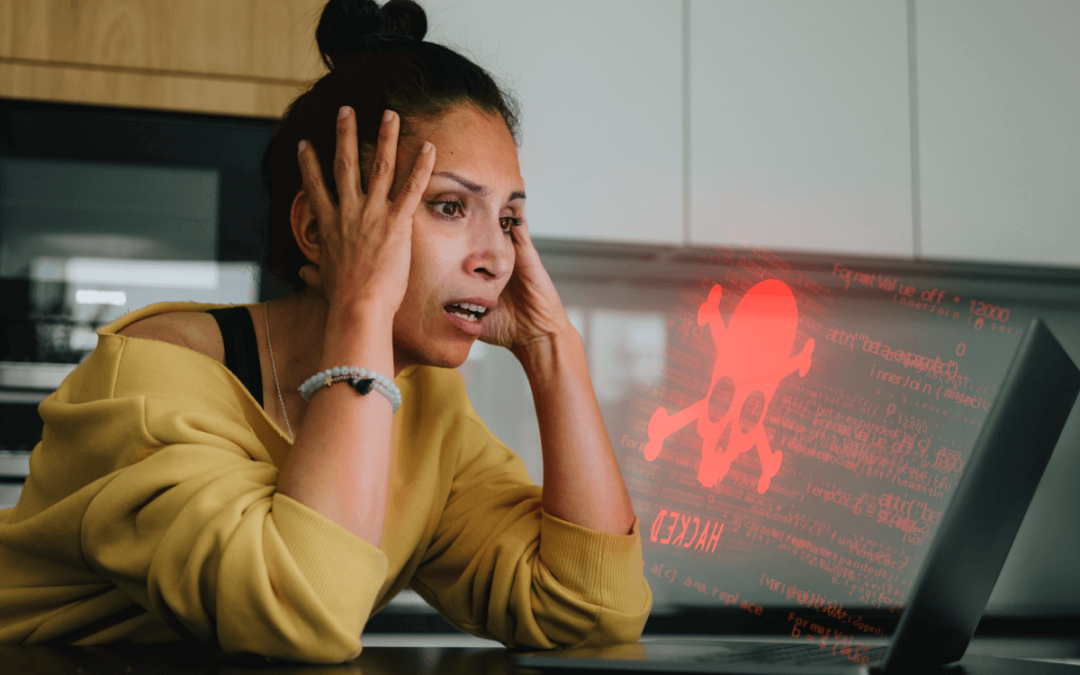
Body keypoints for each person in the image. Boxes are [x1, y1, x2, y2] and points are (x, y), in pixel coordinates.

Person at [0, 0, 652, 663]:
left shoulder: (427, 412)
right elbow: (301, 610)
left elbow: (593, 610)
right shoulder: (150, 376)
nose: (496, 255)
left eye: (509, 219)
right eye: (450, 206)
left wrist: (554, 350)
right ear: (318, 230)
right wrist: (362, 304)